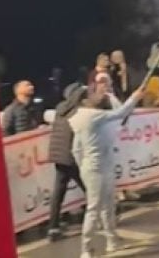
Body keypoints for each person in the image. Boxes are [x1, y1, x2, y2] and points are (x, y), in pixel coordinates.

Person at [69, 81, 145, 258]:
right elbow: (121, 113)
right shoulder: (91, 115)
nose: (98, 95)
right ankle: (86, 249)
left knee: (107, 205)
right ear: (84, 100)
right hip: (96, 168)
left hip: (97, 166)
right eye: (92, 93)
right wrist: (134, 97)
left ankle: (111, 242)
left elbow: (76, 149)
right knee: (95, 208)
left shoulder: (81, 116)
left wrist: (83, 166)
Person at [47, 84, 88, 241]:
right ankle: (102, 218)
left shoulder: (60, 108)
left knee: (58, 193)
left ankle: (53, 228)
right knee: (91, 188)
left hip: (59, 156)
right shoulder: (78, 111)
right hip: (71, 156)